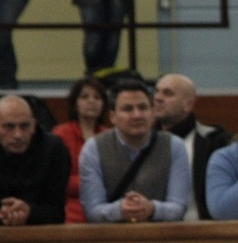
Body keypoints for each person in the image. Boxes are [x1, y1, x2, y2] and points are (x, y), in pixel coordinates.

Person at [0, 95, 70, 243]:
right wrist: (4, 213)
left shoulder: (54, 150)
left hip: (42, 239)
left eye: (24, 126)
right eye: (9, 127)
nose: (18, 135)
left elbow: (56, 211)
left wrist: (29, 211)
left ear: (34, 126)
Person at [78, 79, 190, 223]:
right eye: (127, 109)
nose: (137, 115)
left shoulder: (174, 145)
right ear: (113, 116)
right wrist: (120, 210)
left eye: (143, 108)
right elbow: (92, 210)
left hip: (160, 234)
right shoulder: (94, 148)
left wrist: (151, 208)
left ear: (153, 112)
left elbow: (179, 207)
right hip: (111, 235)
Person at [154, 73, 230, 221]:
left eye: (168, 93)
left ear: (187, 105)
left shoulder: (214, 142)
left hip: (202, 229)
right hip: (152, 229)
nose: (158, 98)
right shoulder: (144, 141)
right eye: (156, 91)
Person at [55, 78, 109, 223]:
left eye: (97, 97)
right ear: (75, 103)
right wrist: (95, 184)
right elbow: (57, 180)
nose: (91, 101)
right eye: (85, 97)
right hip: (70, 210)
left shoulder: (109, 136)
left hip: (105, 208)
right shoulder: (61, 134)